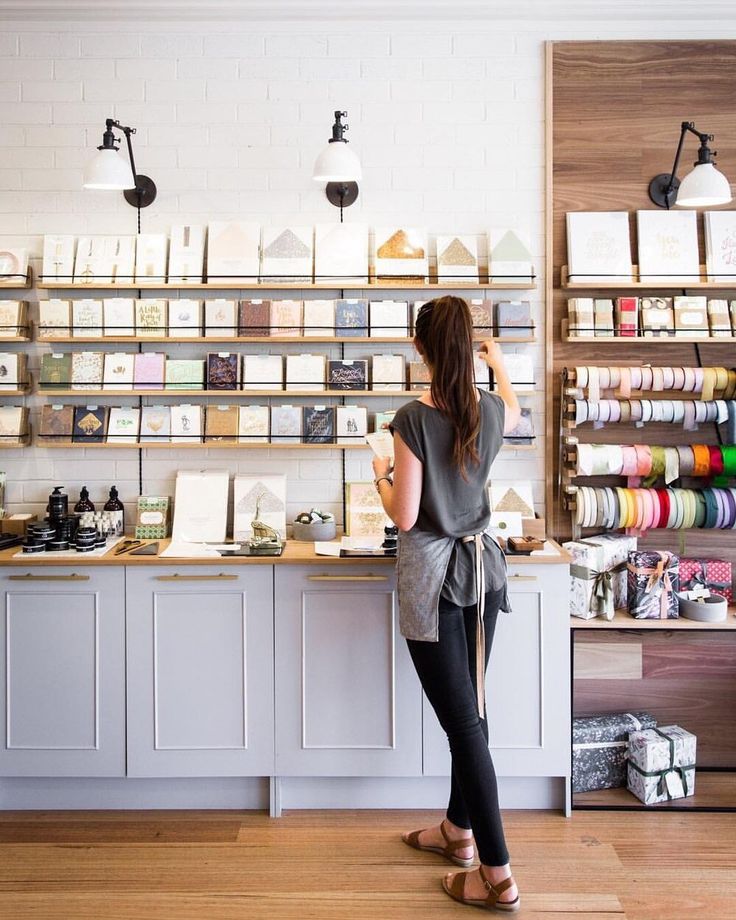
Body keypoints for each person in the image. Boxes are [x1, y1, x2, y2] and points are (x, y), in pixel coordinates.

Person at [372, 295, 522, 913]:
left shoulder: (410, 419)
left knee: (464, 724)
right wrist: (500, 362)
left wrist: (381, 472)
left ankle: (498, 875)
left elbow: (404, 516)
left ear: (420, 349)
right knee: (474, 716)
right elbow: (513, 410)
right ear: (468, 348)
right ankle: (457, 833)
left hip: (434, 580)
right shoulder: (488, 410)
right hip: (482, 574)